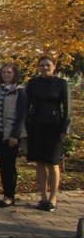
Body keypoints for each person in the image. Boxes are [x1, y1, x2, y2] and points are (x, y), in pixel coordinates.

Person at [25, 55, 69, 212]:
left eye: (47, 65)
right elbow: (26, 105)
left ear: (54, 66)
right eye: (42, 65)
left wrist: (64, 129)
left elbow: (67, 109)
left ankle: (53, 197)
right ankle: (43, 196)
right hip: (36, 125)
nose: (44, 68)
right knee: (40, 162)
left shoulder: (61, 84)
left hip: (54, 126)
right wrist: (26, 126)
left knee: (53, 162)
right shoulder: (33, 83)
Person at [0, 63, 27, 208]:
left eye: (9, 72)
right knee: (2, 164)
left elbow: (22, 114)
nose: (6, 75)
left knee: (10, 165)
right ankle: (5, 194)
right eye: (3, 72)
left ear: (14, 73)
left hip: (11, 133)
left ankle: (10, 196)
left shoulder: (20, 91)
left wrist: (15, 135)